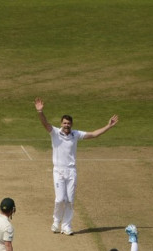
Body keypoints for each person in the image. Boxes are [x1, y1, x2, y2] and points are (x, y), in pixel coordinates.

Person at [34, 97, 119, 235]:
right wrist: (40, 111)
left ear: (71, 124)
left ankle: (66, 226)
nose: (66, 125)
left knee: (70, 200)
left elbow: (93, 134)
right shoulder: (55, 132)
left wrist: (108, 126)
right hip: (58, 171)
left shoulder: (76, 134)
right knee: (60, 199)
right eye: (64, 123)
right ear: (61, 123)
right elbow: (45, 124)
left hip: (71, 171)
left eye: (68, 123)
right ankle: (56, 222)